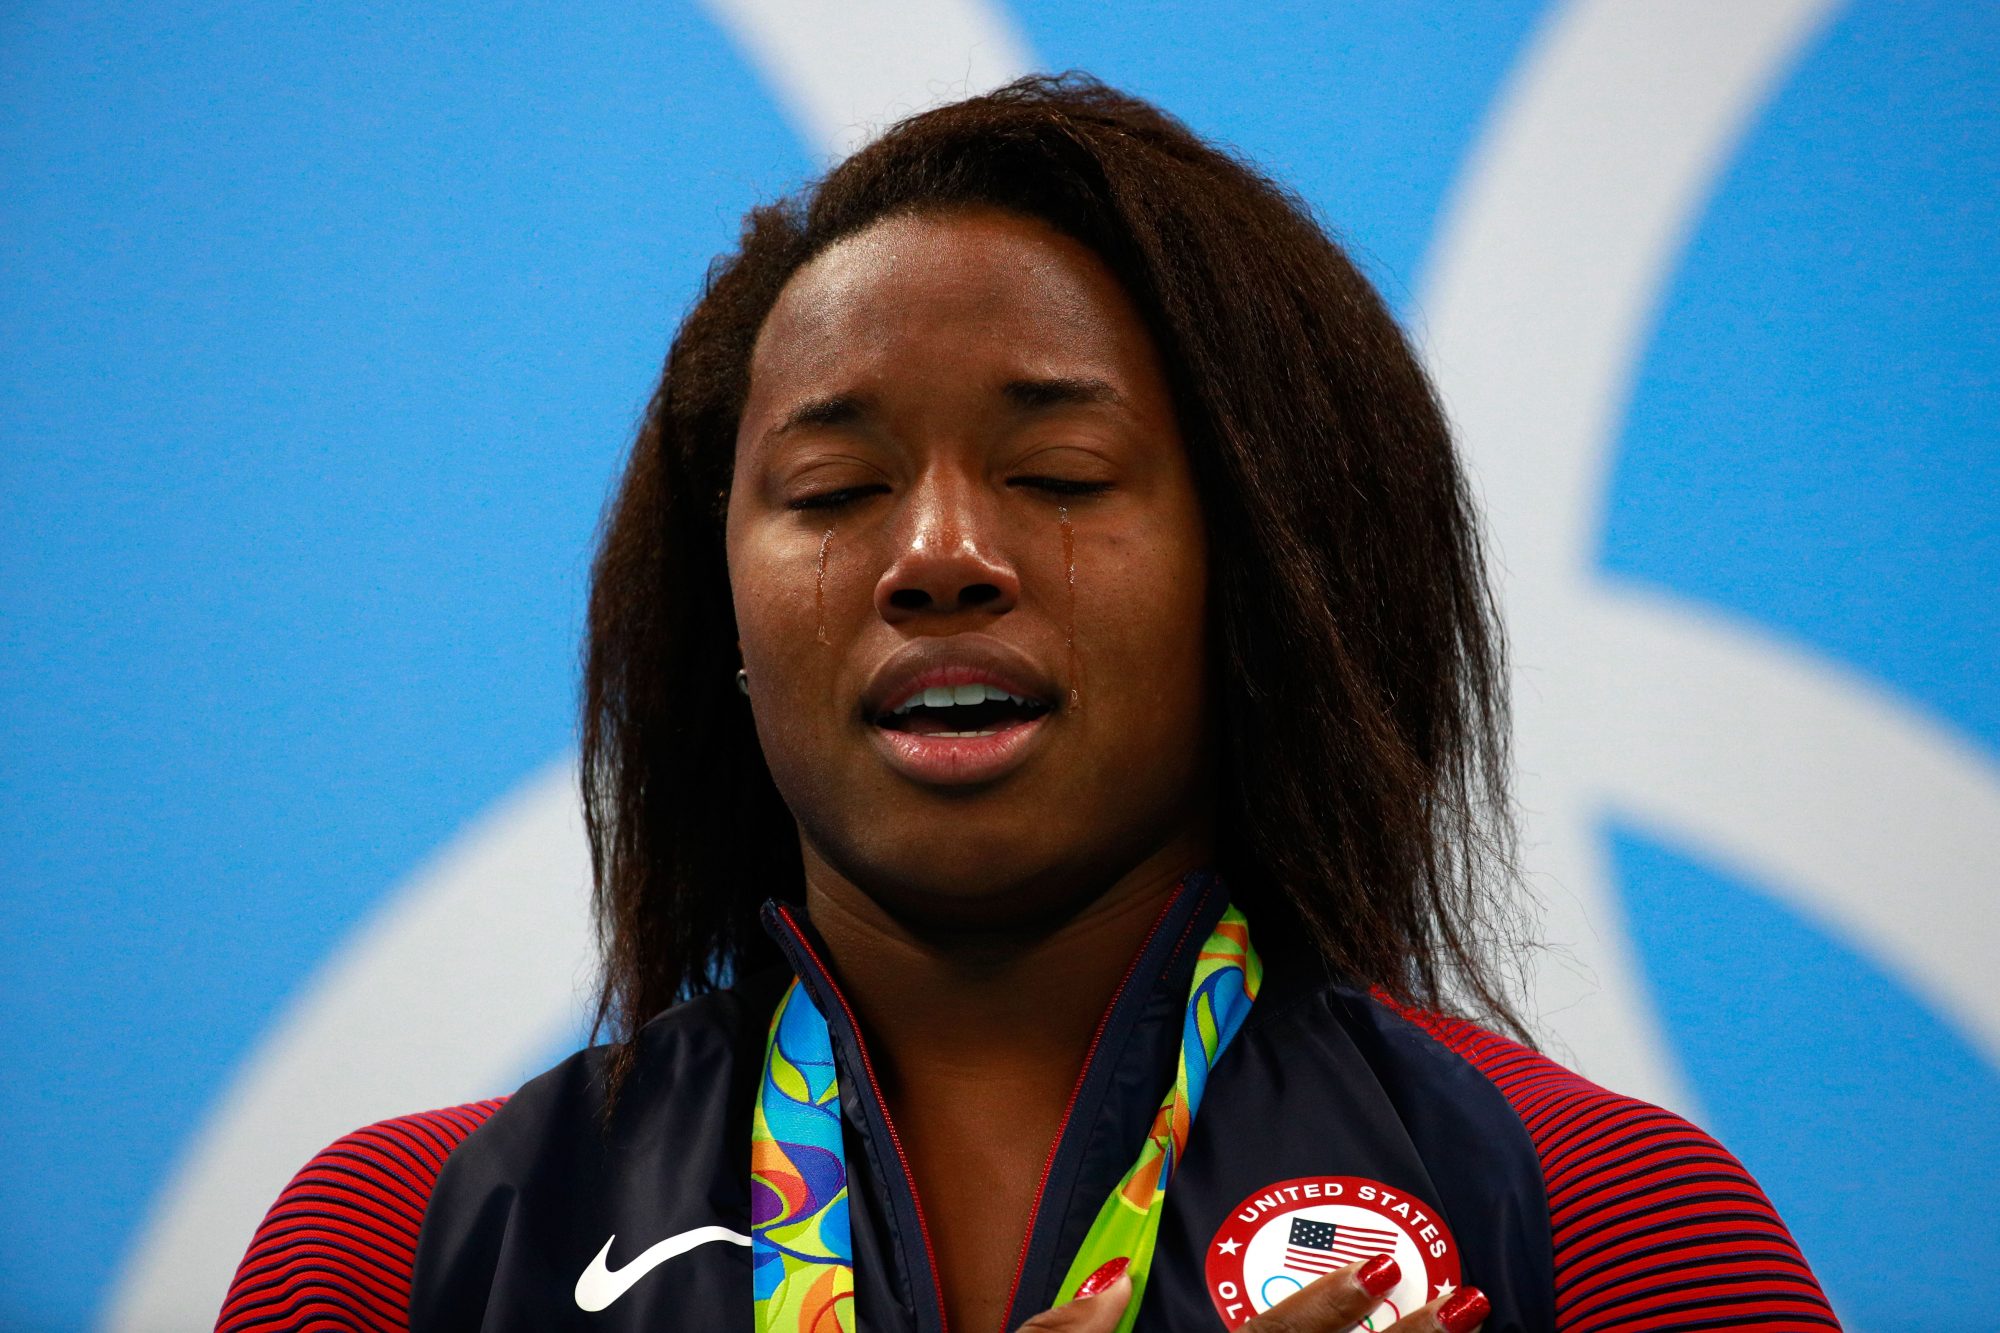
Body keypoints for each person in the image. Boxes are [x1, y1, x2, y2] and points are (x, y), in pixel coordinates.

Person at [216, 76, 1838, 1333]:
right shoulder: (398, 1245)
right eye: (833, 488)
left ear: (1267, 574)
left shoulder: (1602, 1217)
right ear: (720, 606)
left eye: (1057, 472)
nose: (937, 556)